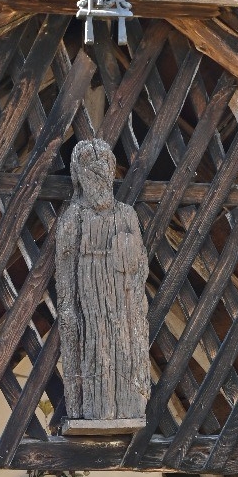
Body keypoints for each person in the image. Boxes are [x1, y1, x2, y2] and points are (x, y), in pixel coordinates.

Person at [56, 137, 150, 426]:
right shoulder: (73, 218)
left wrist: (129, 262)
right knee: (96, 348)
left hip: (122, 296)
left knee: (125, 346)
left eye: (104, 163)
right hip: (89, 297)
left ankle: (128, 404)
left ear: (112, 170)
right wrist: (68, 307)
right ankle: (96, 408)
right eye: (89, 165)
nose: (97, 170)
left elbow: (140, 263)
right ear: (78, 175)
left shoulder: (126, 214)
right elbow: (65, 267)